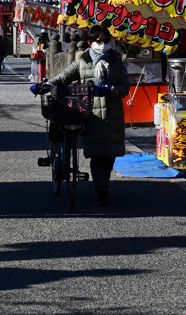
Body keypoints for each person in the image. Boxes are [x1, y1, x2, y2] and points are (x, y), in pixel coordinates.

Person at [46, 25, 129, 206]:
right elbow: (63, 77)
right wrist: (45, 84)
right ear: (90, 43)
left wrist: (109, 89)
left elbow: (125, 88)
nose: (102, 44)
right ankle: (101, 191)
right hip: (90, 115)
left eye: (106, 41)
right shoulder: (82, 62)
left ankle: (105, 184)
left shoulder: (116, 61)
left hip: (113, 115)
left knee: (110, 155)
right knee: (97, 154)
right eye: (98, 41)